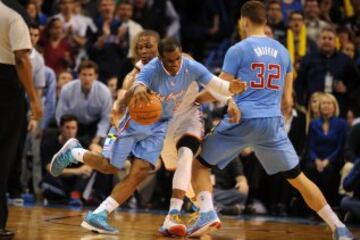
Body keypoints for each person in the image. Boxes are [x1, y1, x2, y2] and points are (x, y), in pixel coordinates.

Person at [188, 2, 354, 240]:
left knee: (199, 165)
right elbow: (287, 100)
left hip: (243, 118)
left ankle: (206, 213)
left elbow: (220, 90)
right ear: (266, 21)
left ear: (244, 21)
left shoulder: (238, 49)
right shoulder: (283, 51)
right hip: (272, 123)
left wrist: (192, 99)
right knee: (298, 179)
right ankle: (338, 227)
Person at [49, 37, 246, 234]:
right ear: (160, 58)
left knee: (140, 172)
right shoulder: (149, 69)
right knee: (110, 166)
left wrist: (231, 91)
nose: (175, 64)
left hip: (160, 127)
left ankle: (100, 214)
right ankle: (75, 152)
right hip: (131, 124)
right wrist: (138, 89)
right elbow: (137, 84)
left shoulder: (190, 66)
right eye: (170, 61)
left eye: (177, 59)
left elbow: (217, 84)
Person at [0, 1, 42, 237]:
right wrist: (35, 100)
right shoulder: (14, 16)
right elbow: (21, 59)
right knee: (3, 156)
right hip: (5, 87)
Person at [40, 115, 93, 206]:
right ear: (60, 128)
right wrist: (78, 171)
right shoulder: (49, 143)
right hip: (59, 180)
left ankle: (74, 195)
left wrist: (89, 166)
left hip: (77, 183)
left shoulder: (81, 142)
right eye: (67, 128)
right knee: (47, 182)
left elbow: (97, 150)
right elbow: (50, 168)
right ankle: (72, 197)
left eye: (73, 128)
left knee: (88, 172)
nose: (70, 131)